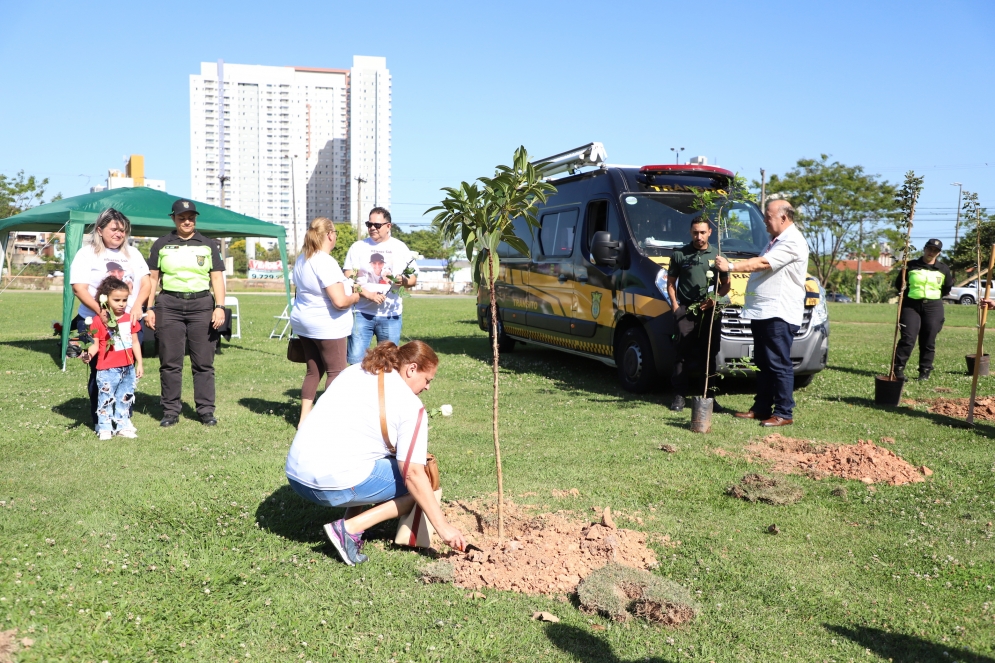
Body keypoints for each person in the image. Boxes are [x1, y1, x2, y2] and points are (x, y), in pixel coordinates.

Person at [285, 340, 466, 565]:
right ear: (411, 369)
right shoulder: (411, 406)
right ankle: (348, 529)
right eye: (427, 380)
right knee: (422, 483)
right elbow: (413, 475)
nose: (428, 387)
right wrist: (444, 528)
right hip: (327, 485)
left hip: (295, 473)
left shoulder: (355, 371)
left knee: (371, 457)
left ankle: (352, 524)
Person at [715, 199, 809, 427]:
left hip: (778, 312)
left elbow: (763, 264)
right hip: (763, 311)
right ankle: (762, 407)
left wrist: (730, 267)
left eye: (768, 216)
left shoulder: (792, 241)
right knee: (764, 362)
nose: (764, 220)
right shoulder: (775, 241)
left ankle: (784, 412)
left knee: (778, 362)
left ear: (783, 218)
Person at [290, 217, 386, 424]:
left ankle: (304, 419)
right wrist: (356, 296)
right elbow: (340, 301)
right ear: (330, 235)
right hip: (326, 325)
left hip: (304, 322)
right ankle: (331, 420)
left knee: (313, 370)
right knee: (336, 372)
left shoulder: (302, 258)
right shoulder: (324, 261)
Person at [145, 199, 226, 428]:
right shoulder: (161, 244)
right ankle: (170, 410)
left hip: (201, 305)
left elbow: (217, 278)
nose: (187, 221)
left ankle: (206, 411)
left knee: (203, 362)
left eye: (191, 217)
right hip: (169, 305)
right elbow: (152, 279)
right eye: (182, 218)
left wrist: (219, 307)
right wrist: (149, 308)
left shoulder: (209, 244)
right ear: (173, 218)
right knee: (170, 362)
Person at [68, 208, 150, 428]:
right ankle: (101, 419)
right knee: (100, 371)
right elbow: (79, 288)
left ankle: (122, 418)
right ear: (99, 230)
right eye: (114, 229)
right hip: (94, 322)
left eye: (123, 230)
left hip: (128, 323)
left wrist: (137, 307)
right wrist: (100, 311)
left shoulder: (133, 254)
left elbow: (146, 283)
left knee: (127, 370)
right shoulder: (86, 254)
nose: (118, 233)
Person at [667, 217, 731, 412]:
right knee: (682, 353)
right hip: (686, 310)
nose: (699, 236)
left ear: (709, 232)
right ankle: (679, 397)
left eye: (702, 232)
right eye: (695, 232)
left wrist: (715, 299)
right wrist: (676, 307)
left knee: (710, 353)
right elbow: (670, 283)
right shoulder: (680, 255)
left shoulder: (719, 256)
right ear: (690, 232)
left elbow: (727, 285)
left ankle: (709, 397)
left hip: (710, 311)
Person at [343, 207, 419, 365]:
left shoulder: (400, 248)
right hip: (362, 313)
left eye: (376, 225)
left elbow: (413, 279)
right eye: (369, 224)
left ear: (388, 226)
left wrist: (403, 281)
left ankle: (383, 390)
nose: (372, 228)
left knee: (389, 363)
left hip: (391, 315)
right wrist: (368, 294)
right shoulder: (358, 247)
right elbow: (348, 279)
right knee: (356, 362)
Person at [81, 277, 144, 440]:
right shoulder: (98, 321)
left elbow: (135, 343)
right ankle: (104, 427)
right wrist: (88, 354)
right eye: (116, 300)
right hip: (107, 368)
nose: (121, 304)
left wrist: (139, 364)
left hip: (128, 367)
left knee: (125, 397)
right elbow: (94, 345)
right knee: (106, 398)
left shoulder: (130, 318)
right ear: (105, 299)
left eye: (124, 300)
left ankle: (123, 425)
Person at [892, 238, 952, 381]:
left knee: (929, 339)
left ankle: (924, 371)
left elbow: (946, 288)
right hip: (911, 305)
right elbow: (899, 284)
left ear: (939, 253)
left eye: (935, 251)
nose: (932, 252)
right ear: (924, 249)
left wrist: (933, 297)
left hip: (933, 306)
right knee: (908, 338)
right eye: (930, 249)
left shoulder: (943, 269)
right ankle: (898, 369)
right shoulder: (910, 265)